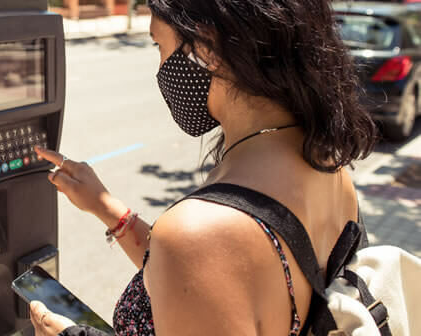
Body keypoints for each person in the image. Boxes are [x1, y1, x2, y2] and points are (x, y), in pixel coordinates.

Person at [29, 0, 377, 335]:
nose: (161, 67)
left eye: (159, 46)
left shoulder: (201, 232)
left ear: (207, 48)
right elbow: (213, 279)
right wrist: (108, 209)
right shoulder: (328, 164)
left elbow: (202, 255)